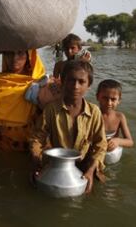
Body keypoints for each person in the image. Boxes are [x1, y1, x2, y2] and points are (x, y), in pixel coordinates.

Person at [30, 60, 107, 193]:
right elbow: (37, 139)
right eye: (71, 80)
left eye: (81, 82)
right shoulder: (51, 110)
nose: (75, 86)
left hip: (85, 165)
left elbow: (101, 145)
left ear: (89, 85)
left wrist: (90, 170)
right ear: (63, 82)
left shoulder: (94, 112)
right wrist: (38, 162)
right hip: (57, 166)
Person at [0, 49, 46, 152]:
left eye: (20, 52)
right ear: (4, 55)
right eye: (10, 53)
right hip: (4, 142)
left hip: (32, 143)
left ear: (29, 56)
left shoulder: (40, 83)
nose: (14, 58)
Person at [96, 79, 134, 151]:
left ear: (119, 100)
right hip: (97, 150)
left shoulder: (120, 117)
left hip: (112, 153)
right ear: (97, 97)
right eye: (105, 98)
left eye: (113, 99)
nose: (109, 103)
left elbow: (130, 142)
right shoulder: (93, 115)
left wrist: (118, 141)